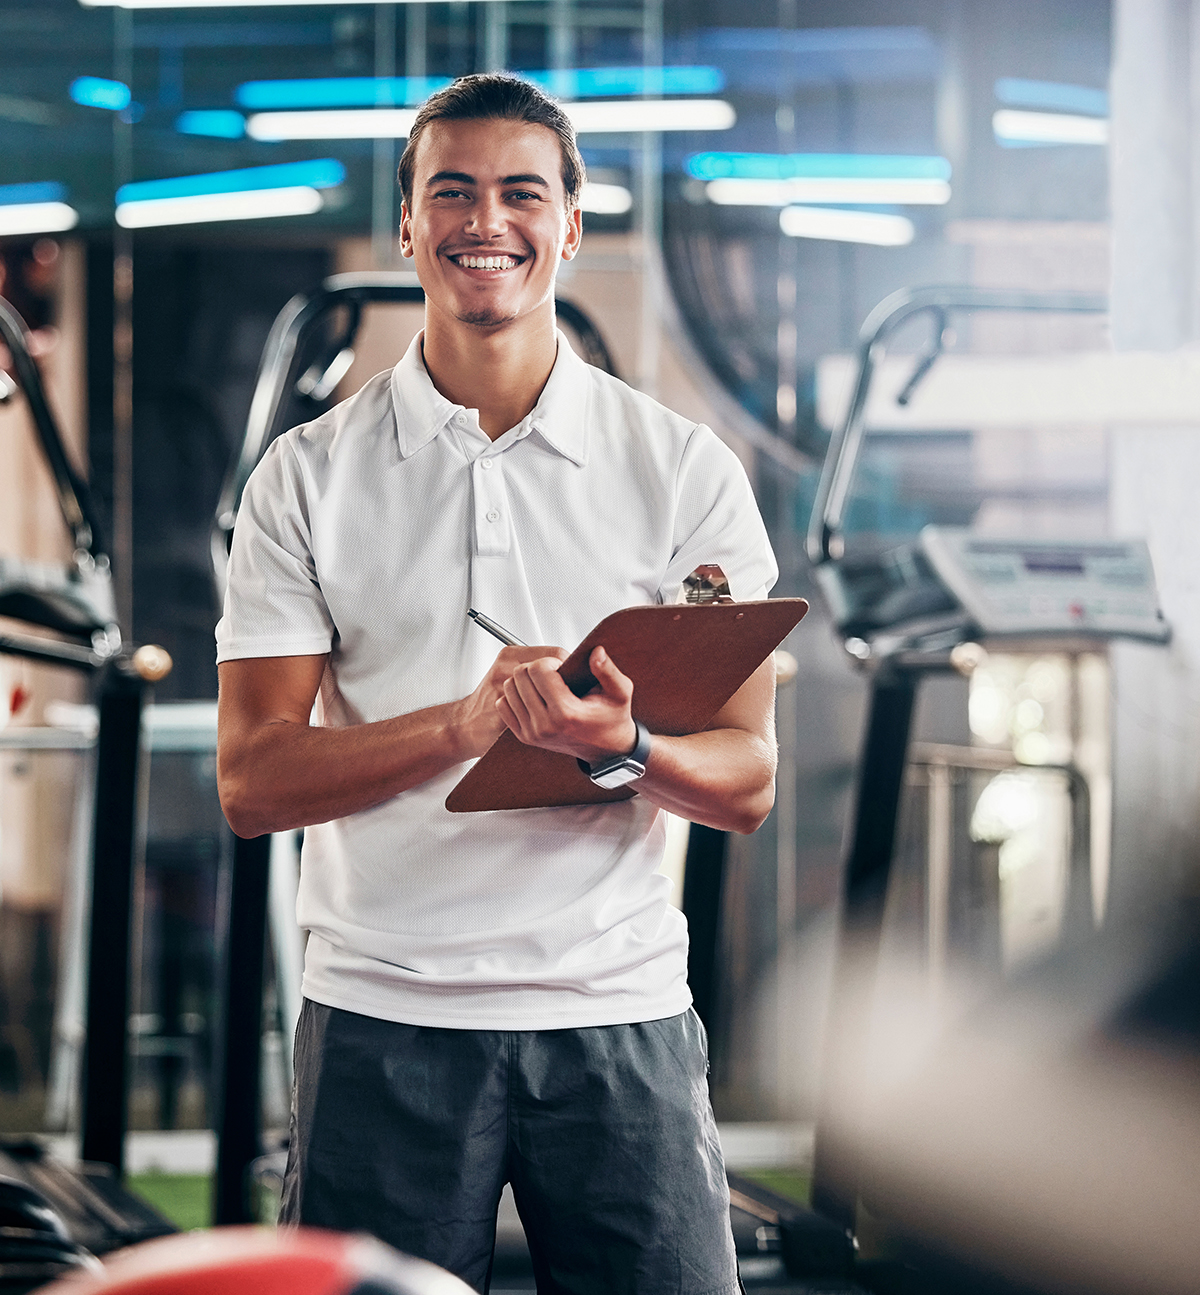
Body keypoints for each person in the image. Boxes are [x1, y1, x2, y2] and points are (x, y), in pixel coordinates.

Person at [215, 73, 778, 1295]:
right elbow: (253, 782)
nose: (488, 221)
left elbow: (744, 777)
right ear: (407, 223)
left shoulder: (680, 471)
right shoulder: (305, 480)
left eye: (523, 192)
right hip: (382, 1018)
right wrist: (465, 723)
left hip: (616, 1010)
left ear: (570, 224)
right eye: (451, 192)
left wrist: (624, 748)